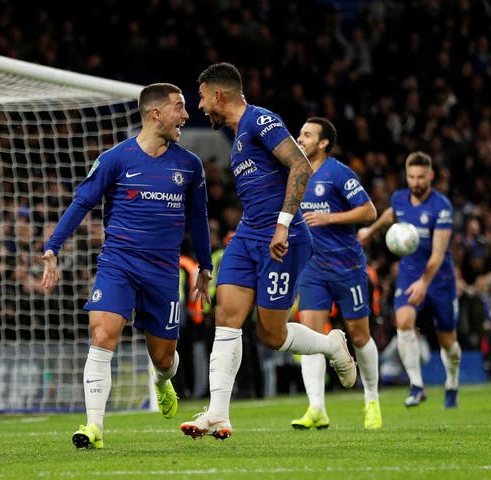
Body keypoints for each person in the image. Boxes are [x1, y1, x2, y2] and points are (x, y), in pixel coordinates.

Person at [179, 62, 356, 441]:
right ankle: (218, 414)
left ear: (218, 94)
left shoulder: (260, 121)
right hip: (247, 236)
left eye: (203, 98)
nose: (200, 107)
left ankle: (332, 345)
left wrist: (283, 224)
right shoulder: (237, 136)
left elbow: (300, 165)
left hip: (284, 238)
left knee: (270, 335)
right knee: (225, 314)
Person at [42, 83, 213, 449]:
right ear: (156, 113)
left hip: (163, 272)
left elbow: (198, 218)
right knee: (102, 335)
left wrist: (204, 265)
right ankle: (94, 427)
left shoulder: (189, 165)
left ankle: (164, 382)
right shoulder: (115, 159)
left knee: (163, 358)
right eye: (179, 108)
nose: (185, 115)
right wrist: (53, 246)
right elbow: (81, 203)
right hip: (118, 264)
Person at [291, 117, 381, 430]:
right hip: (312, 268)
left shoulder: (339, 173)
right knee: (311, 338)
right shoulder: (296, 174)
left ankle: (372, 400)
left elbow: (369, 212)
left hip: (347, 266)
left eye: (307, 134)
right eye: (300, 133)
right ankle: (316, 408)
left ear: (324, 142)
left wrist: (331, 219)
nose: (299, 138)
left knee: (360, 335)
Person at [358, 151, 461, 408]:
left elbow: (438, 253)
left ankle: (452, 383)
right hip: (409, 272)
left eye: (421, 177)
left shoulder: (442, 207)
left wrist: (425, 282)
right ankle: (417, 386)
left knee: (447, 339)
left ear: (431, 176)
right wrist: (370, 230)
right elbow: (391, 214)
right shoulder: (400, 199)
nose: (416, 182)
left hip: (439, 277)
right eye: (411, 177)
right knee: (403, 322)